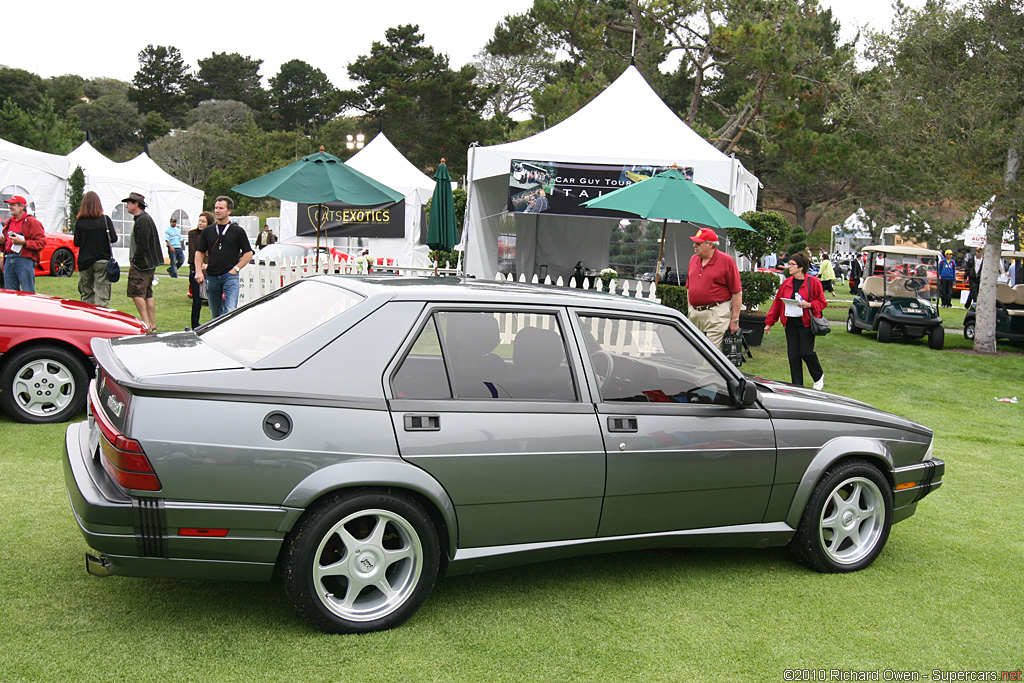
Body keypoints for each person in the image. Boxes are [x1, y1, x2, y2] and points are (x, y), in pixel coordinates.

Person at [764, 252, 828, 390]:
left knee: (806, 352)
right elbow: (777, 304)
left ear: (801, 267)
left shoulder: (813, 282)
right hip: (790, 324)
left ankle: (818, 375)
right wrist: (769, 322)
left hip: (806, 324)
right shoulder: (786, 283)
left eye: (792, 264)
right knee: (793, 356)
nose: (789, 267)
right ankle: (797, 386)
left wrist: (809, 304)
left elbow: (822, 302)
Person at [194, 196, 253, 319]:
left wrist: (236, 269)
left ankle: (230, 335)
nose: (217, 211)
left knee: (230, 311)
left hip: (230, 276)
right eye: (216, 208)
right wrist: (199, 271)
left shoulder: (237, 231)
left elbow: (248, 253)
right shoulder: (208, 231)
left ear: (229, 211)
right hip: (212, 275)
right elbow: (199, 252)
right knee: (215, 313)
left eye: (221, 208)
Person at [686, 227, 742, 350]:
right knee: (694, 351)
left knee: (711, 353)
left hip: (716, 312)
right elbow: (689, 287)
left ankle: (708, 370)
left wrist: (735, 319)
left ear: (710, 244)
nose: (694, 245)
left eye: (698, 243)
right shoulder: (693, 259)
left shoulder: (727, 261)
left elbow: (737, 292)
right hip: (695, 313)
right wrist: (690, 308)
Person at [124, 192, 162, 333]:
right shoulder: (142, 219)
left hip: (142, 264)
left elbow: (143, 243)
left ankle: (146, 323)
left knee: (136, 292)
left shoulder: (143, 220)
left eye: (129, 202)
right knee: (147, 293)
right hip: (147, 263)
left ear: (136, 204)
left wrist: (135, 261)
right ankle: (151, 324)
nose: (127, 205)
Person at [73, 191, 117, 306]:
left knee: (86, 294)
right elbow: (113, 238)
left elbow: (77, 242)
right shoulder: (105, 220)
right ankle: (101, 319)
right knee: (102, 295)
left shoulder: (80, 222)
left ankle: (88, 319)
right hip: (102, 259)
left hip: (85, 260)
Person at [2, 195, 46, 293]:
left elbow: (41, 243)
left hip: (24, 259)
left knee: (28, 292)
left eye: (13, 205)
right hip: (9, 258)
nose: (10, 207)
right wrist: (2, 243)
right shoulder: (9, 222)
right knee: (10, 293)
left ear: (22, 206)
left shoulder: (32, 222)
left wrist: (23, 243)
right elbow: (6, 243)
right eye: (9, 204)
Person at [187, 211, 213, 330]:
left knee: (212, 298)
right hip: (196, 270)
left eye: (203, 221)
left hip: (210, 270)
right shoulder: (193, 234)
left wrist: (207, 263)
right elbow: (194, 251)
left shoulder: (213, 235)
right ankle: (194, 324)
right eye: (200, 221)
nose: (200, 223)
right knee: (197, 299)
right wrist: (200, 264)